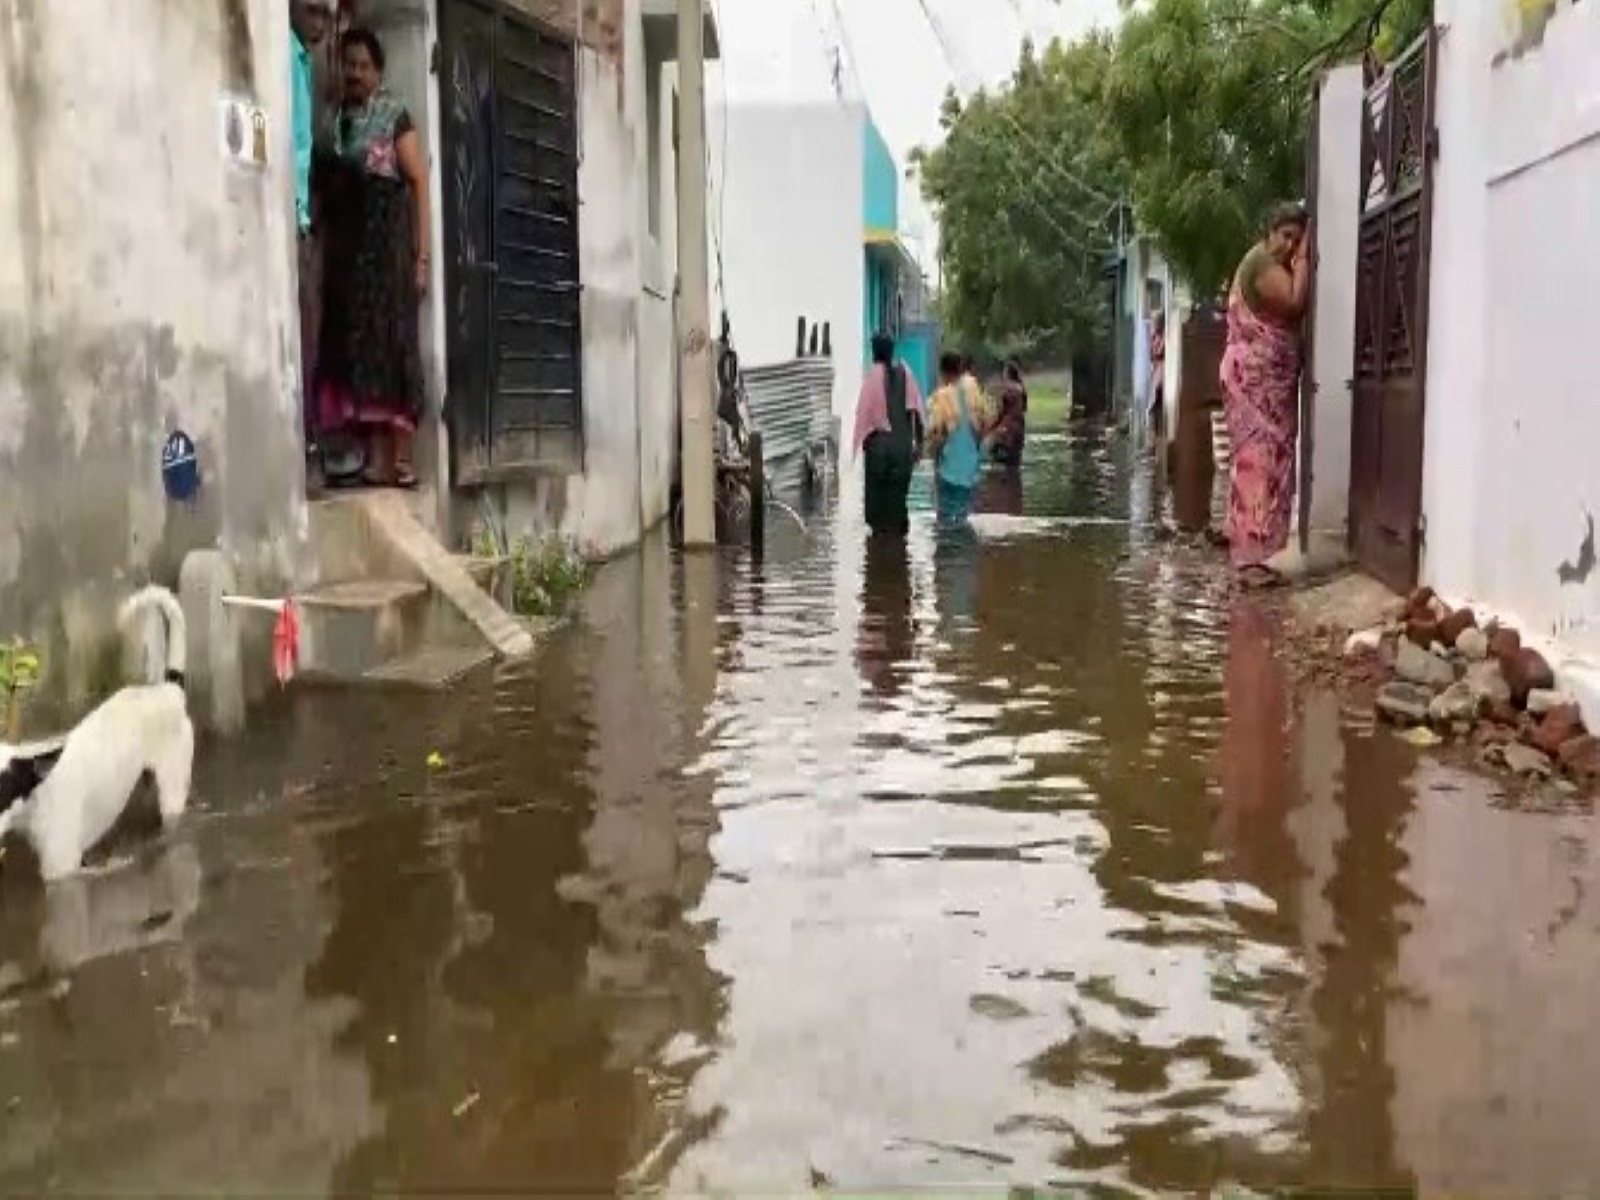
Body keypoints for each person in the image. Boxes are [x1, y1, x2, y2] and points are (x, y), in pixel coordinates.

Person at [316, 27, 431, 489]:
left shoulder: (393, 114)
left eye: (364, 65)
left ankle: (400, 461)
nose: (355, 73)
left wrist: (421, 258)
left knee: (395, 345)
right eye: (349, 65)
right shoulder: (336, 122)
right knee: (359, 352)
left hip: (388, 253)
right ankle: (371, 459)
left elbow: (418, 182)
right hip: (351, 258)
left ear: (378, 70)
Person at [1220, 202, 1311, 587]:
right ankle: (1250, 559)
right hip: (1254, 385)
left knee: (1265, 463)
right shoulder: (1260, 264)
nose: (1289, 246)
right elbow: (1293, 300)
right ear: (1269, 234)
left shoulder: (1265, 260)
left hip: (1264, 386)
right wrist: (1306, 259)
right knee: (1257, 463)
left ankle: (1253, 554)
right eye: (1285, 236)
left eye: (1296, 238)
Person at [290, 0, 334, 469]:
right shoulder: (284, 57)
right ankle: (305, 449)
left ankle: (309, 445)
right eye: (312, 6)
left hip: (303, 218)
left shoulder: (303, 60)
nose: (320, 14)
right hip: (292, 217)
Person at [852, 331, 924, 537]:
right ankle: (899, 561)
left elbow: (863, 417)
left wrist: (864, 445)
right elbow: (917, 413)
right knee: (898, 507)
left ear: (874, 351)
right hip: (902, 452)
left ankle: (879, 562)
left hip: (878, 453)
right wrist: (919, 445)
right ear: (892, 351)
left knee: (877, 516)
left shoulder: (872, 377)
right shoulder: (906, 373)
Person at [925, 350, 986, 529]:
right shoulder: (973, 387)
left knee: (944, 518)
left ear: (943, 372)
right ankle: (964, 553)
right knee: (962, 516)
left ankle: (948, 553)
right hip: (969, 465)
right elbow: (982, 423)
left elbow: (936, 433)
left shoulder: (941, 396)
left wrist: (933, 459)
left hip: (948, 466)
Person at [988, 360, 1027, 469]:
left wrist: (989, 428)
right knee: (1015, 465)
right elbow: (1023, 409)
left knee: (998, 464)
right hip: (1019, 429)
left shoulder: (1005, 389)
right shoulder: (1021, 388)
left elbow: (999, 413)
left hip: (1006, 430)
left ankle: (1002, 485)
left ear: (1007, 374)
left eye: (1004, 372)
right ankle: (1015, 485)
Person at [1147, 313, 1166, 437]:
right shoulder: (1155, 338)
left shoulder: (1162, 338)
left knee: (1153, 408)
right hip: (1156, 372)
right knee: (1153, 408)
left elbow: (1157, 353)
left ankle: (1153, 439)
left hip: (1161, 372)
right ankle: (1153, 438)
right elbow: (1152, 355)